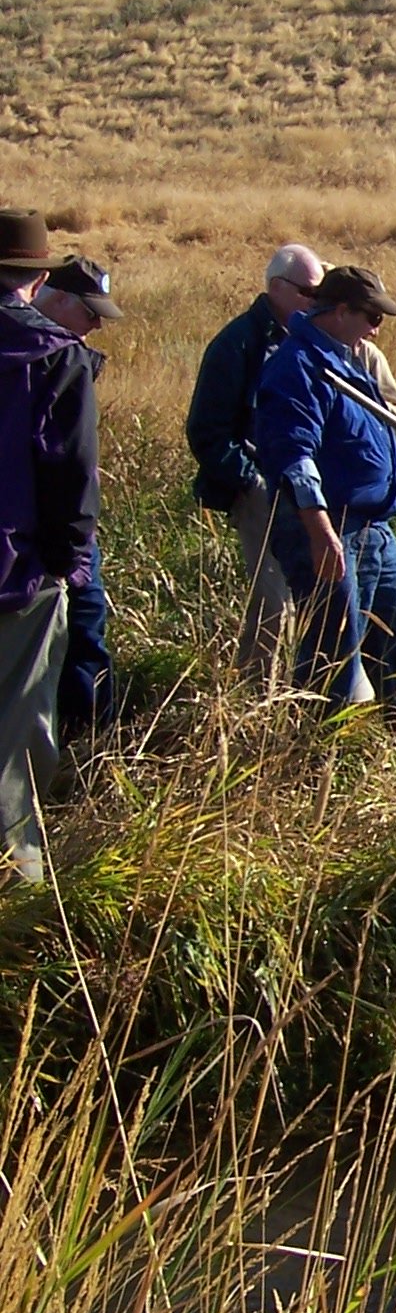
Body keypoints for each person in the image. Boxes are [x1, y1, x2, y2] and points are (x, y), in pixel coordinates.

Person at [253, 264, 396, 760]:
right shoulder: (299, 365)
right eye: (370, 316)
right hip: (331, 528)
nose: (377, 327)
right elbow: (294, 455)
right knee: (334, 656)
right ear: (338, 310)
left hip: (373, 529)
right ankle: (320, 767)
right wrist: (320, 529)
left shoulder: (343, 360)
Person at [0, 209, 99, 882]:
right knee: (17, 733)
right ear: (39, 279)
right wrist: (71, 563)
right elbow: (70, 472)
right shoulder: (56, 356)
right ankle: (18, 880)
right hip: (20, 573)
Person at [186, 243, 323, 679]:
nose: (315, 302)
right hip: (261, 491)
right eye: (308, 292)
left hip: (305, 488)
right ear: (277, 288)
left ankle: (291, 689)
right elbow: (206, 430)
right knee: (273, 600)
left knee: (309, 594)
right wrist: (252, 482)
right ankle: (259, 696)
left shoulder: (306, 341)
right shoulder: (238, 344)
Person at [37, 257, 122, 736]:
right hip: (42, 538)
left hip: (74, 533)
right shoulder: (31, 360)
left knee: (85, 638)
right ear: (56, 298)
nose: (96, 326)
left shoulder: (68, 357)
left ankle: (88, 747)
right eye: (90, 313)